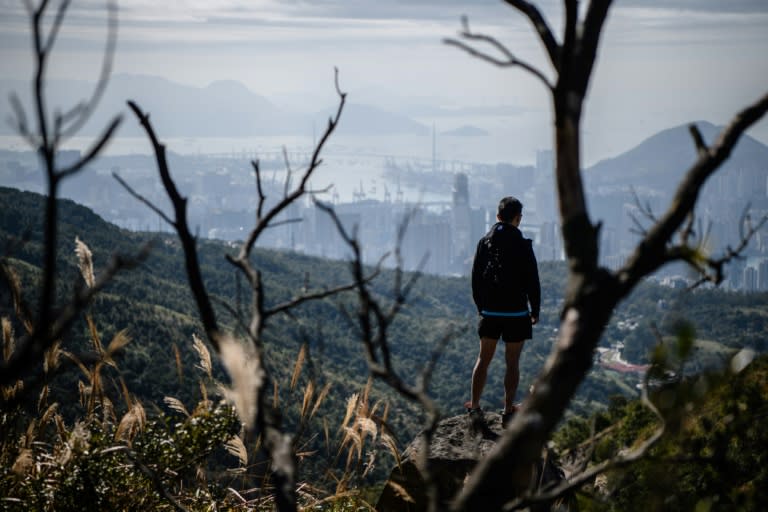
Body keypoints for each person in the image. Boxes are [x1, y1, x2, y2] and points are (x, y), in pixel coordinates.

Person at [466, 196, 540, 426]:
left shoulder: (484, 243)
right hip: (517, 313)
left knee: (483, 359)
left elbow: (476, 279)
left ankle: (475, 406)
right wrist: (534, 309)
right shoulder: (524, 244)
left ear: (497, 217)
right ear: (518, 218)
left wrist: (482, 307)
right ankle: (508, 410)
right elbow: (532, 281)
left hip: (491, 312)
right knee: (512, 362)